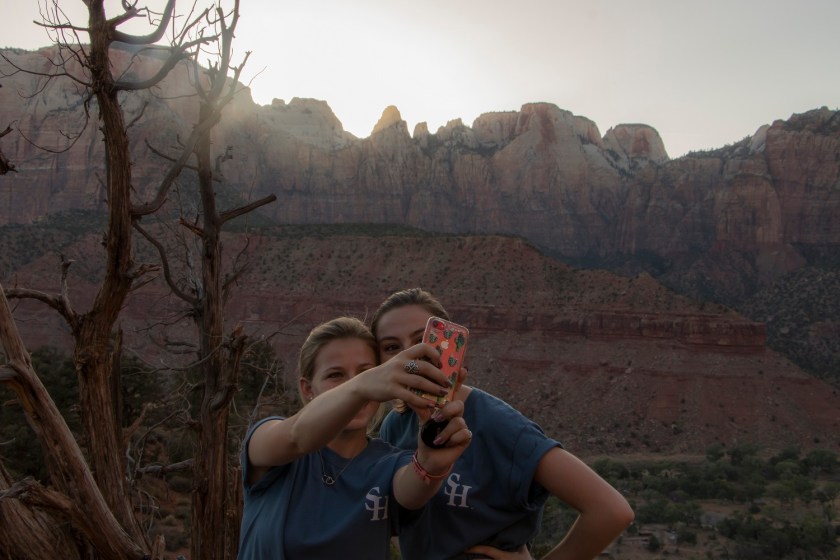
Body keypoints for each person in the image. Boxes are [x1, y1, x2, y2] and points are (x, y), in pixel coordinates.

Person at [372, 289, 634, 560]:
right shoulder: (395, 425)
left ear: (450, 346)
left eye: (422, 340)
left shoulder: (497, 424)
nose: (409, 356)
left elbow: (611, 511)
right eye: (392, 347)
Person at [238, 316, 472, 559]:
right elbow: (296, 437)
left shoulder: (389, 465)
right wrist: (361, 385)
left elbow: (412, 489)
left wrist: (431, 463)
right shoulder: (268, 440)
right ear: (308, 389)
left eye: (365, 372)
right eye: (336, 375)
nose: (354, 383)